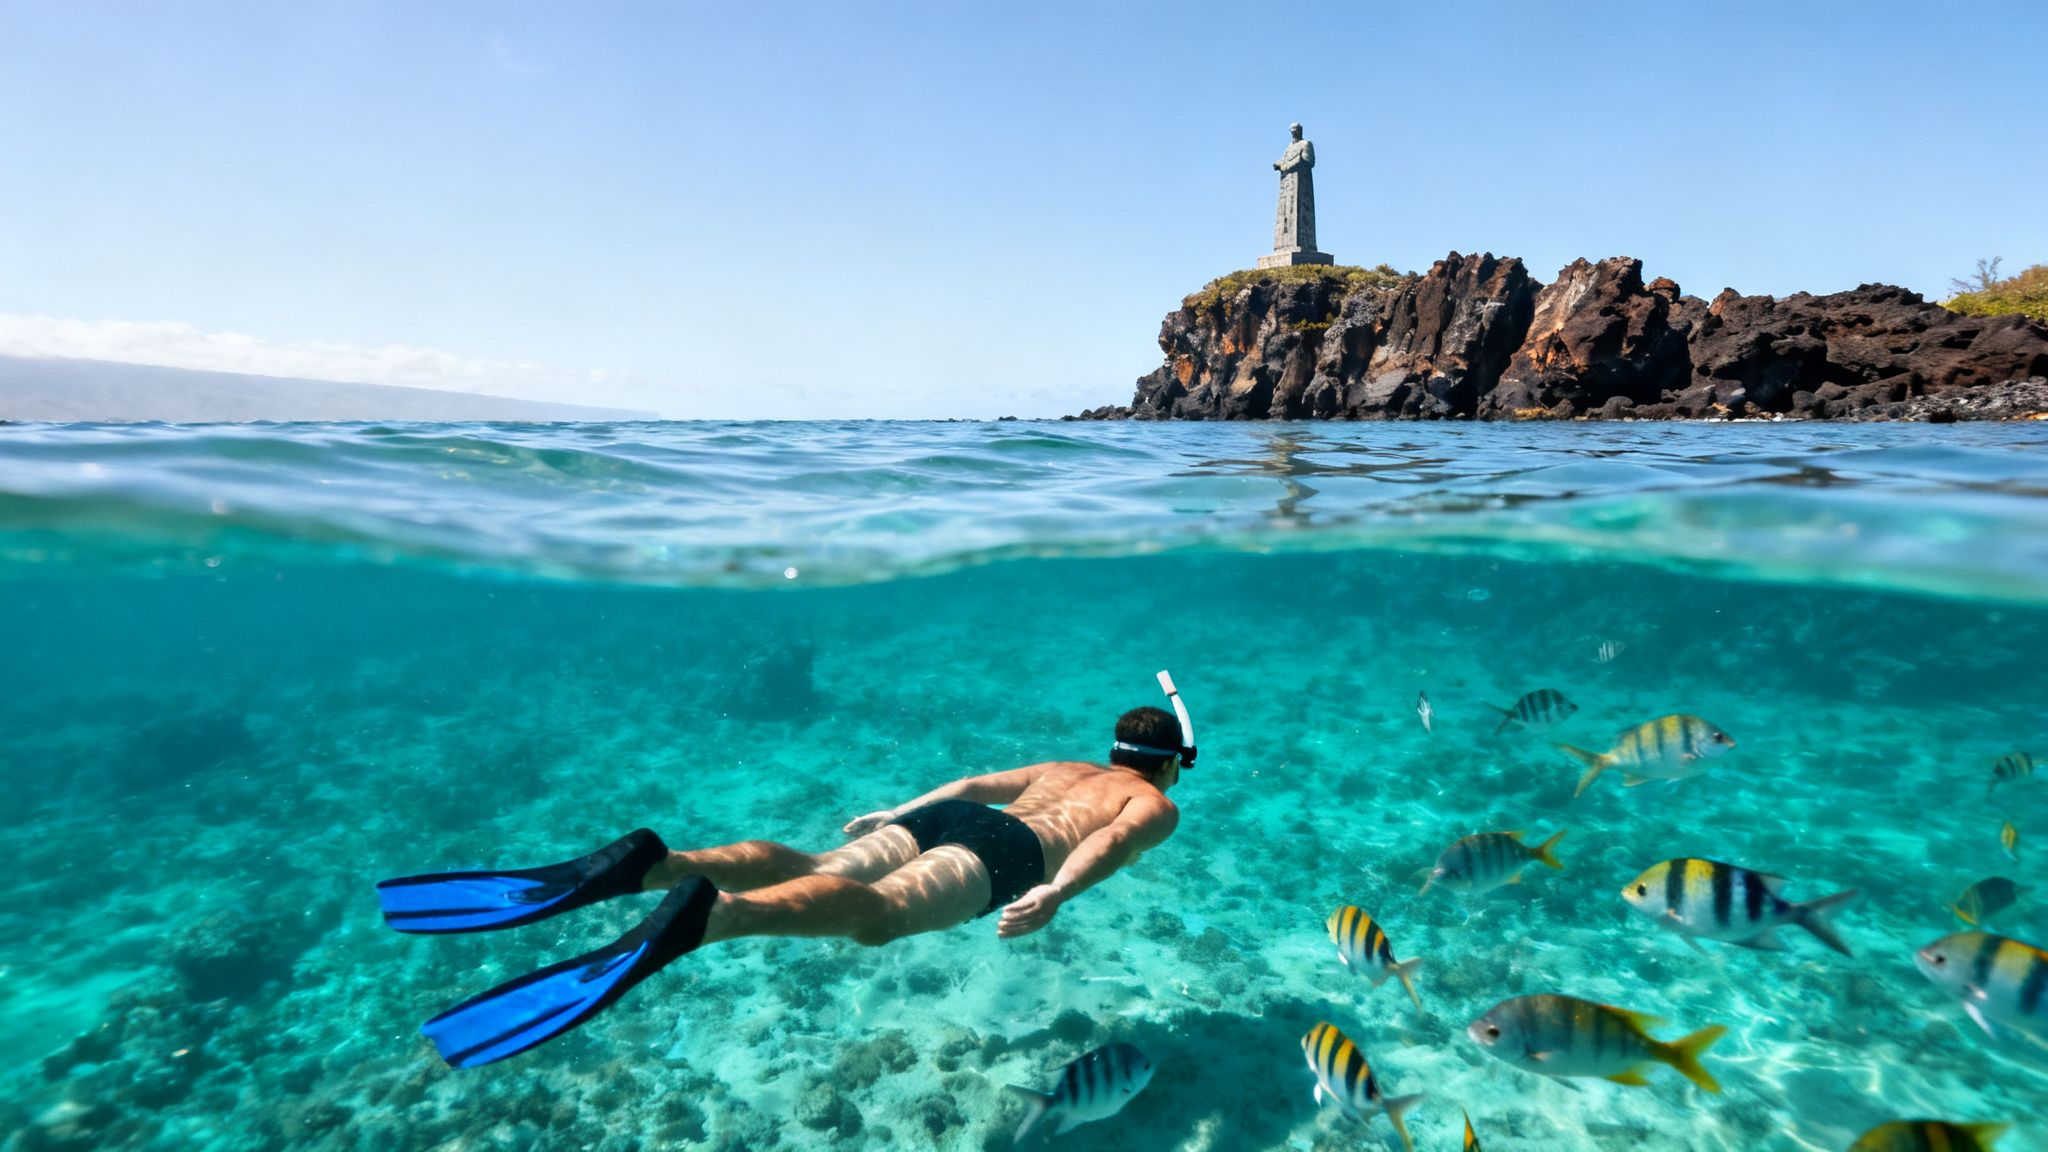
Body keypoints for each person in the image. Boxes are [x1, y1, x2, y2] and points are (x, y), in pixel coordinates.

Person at [375, 676, 1196, 1069]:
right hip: (1008, 855)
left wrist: (893, 812)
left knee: (816, 866)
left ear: (1118, 746)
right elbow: (1111, 845)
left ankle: (663, 865)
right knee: (875, 918)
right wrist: (1054, 888)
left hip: (947, 819)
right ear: (1167, 766)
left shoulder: (1065, 763)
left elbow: (978, 787)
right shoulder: (1152, 803)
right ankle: (716, 915)